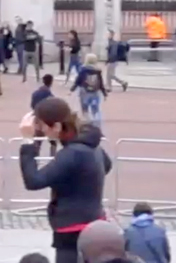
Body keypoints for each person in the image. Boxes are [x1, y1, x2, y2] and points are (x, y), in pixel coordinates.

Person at [18, 96, 112, 263]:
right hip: (94, 222)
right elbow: (107, 164)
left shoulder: (72, 153)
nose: (43, 133)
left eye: (43, 127)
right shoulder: (90, 145)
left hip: (72, 230)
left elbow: (33, 181)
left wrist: (27, 142)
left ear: (57, 126)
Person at [70, 53, 106, 128]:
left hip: (84, 91)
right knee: (95, 109)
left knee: (85, 109)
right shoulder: (98, 71)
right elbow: (101, 82)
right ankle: (97, 124)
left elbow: (78, 80)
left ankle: (88, 123)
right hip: (95, 92)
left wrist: (72, 89)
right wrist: (104, 92)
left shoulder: (83, 70)